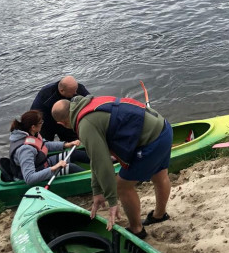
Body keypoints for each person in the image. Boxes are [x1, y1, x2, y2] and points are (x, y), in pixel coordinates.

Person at [52, 94, 173, 238]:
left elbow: (102, 163)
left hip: (151, 141)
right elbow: (95, 158)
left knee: (122, 186)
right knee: (160, 175)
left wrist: (112, 200)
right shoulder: (90, 103)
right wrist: (97, 191)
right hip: (163, 128)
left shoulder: (85, 125)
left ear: (61, 124)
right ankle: (159, 215)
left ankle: (136, 229)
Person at [7, 109, 84, 184]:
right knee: (71, 167)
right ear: (33, 127)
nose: (42, 124)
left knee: (74, 153)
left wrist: (66, 144)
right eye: (41, 122)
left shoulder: (32, 134)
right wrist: (54, 168)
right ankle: (92, 179)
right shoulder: (25, 150)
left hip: (44, 164)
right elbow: (29, 178)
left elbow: (44, 145)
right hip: (39, 173)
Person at [31, 75, 90, 143]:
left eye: (76, 89)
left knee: (74, 140)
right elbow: (34, 114)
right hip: (47, 122)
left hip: (66, 119)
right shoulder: (46, 95)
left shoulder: (77, 88)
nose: (76, 93)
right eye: (72, 91)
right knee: (45, 143)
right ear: (62, 90)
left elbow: (91, 102)